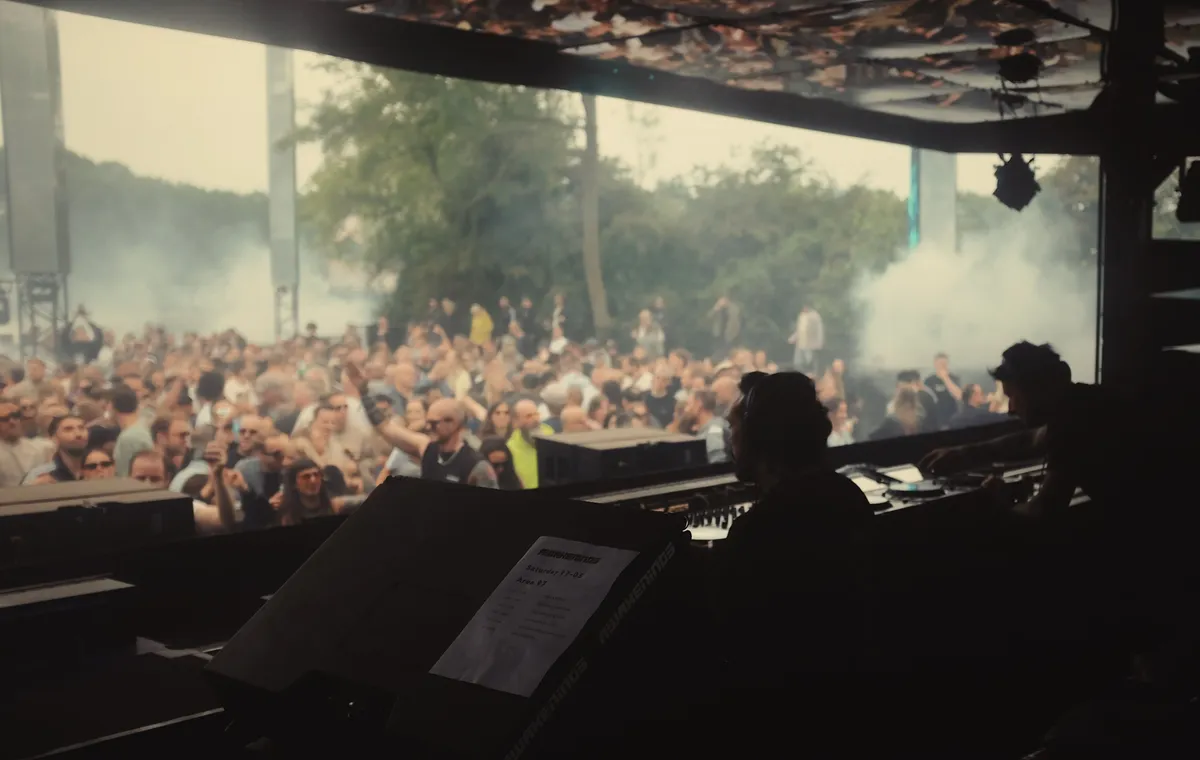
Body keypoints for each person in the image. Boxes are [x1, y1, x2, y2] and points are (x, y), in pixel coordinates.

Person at [706, 370, 874, 755]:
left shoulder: (757, 532)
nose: (731, 437)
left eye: (736, 427)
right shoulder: (847, 496)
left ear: (760, 438)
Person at [347, 363, 497, 488]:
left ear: (454, 424)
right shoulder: (427, 448)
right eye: (428, 422)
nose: (428, 427)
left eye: (434, 423)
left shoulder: (476, 465)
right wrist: (363, 392)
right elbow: (385, 427)